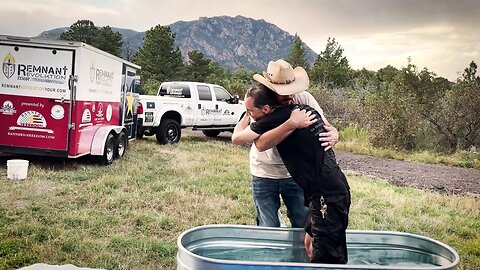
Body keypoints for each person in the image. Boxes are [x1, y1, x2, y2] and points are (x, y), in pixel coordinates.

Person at [232, 62, 350, 264]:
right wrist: (291, 124)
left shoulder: (302, 102)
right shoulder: (266, 107)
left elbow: (326, 126)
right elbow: (259, 144)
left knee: (325, 251)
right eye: (283, 92)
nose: (290, 96)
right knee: (310, 242)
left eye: (291, 90)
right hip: (285, 179)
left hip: (321, 190)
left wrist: (335, 134)